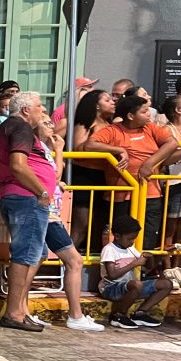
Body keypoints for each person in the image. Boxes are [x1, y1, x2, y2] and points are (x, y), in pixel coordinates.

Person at [31, 117, 103, 331]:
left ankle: (22, 310)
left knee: (36, 259)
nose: (50, 125)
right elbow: (53, 176)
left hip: (49, 212)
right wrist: (60, 150)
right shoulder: (36, 148)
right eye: (44, 121)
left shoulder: (43, 147)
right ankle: (75, 315)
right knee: (74, 261)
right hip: (47, 214)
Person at [0, 91, 54, 332]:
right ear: (26, 110)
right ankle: (14, 312)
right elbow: (18, 165)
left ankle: (19, 308)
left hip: (15, 195)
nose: (43, 111)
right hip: (25, 196)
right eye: (39, 107)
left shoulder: (7, 127)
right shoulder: (21, 128)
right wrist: (42, 192)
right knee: (25, 254)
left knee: (35, 254)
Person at [86, 94, 177, 256]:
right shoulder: (113, 131)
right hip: (121, 195)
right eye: (144, 112)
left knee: (148, 236)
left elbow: (172, 143)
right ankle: (118, 271)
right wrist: (119, 150)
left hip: (150, 194)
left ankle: (144, 273)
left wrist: (149, 164)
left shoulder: (150, 128)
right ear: (130, 116)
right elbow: (90, 145)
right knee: (121, 239)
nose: (149, 115)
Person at [99, 215, 173, 329]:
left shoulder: (130, 249)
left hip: (130, 287)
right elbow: (112, 275)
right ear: (117, 236)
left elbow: (148, 268)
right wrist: (134, 264)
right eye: (129, 239)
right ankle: (119, 315)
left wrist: (151, 257)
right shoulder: (109, 250)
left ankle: (140, 313)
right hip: (111, 288)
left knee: (166, 284)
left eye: (134, 239)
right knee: (137, 284)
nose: (132, 242)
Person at [69, 89, 115, 253]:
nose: (112, 102)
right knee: (82, 224)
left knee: (99, 224)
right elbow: (77, 149)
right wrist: (103, 147)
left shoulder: (110, 125)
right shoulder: (86, 124)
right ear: (96, 105)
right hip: (85, 176)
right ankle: (64, 261)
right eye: (107, 100)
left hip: (104, 178)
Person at [160, 95, 181, 283]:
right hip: (174, 181)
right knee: (170, 225)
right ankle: (167, 267)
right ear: (178, 110)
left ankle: (178, 265)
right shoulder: (166, 130)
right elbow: (165, 159)